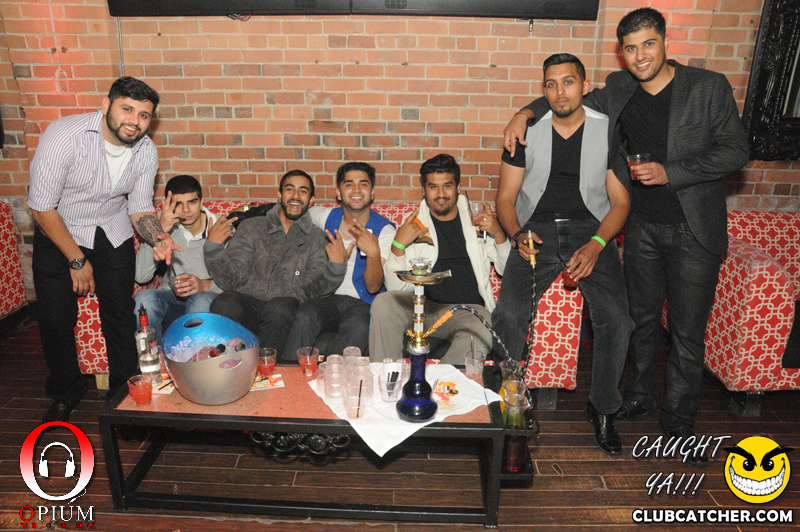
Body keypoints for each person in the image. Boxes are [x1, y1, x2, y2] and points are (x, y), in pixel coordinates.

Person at [504, 8, 749, 463]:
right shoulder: (620, 88)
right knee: (640, 321)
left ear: (665, 42)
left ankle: (678, 424)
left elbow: (737, 150)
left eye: (648, 44)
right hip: (640, 226)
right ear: (622, 53)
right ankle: (638, 396)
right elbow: (567, 95)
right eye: (631, 48)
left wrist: (671, 172)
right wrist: (523, 112)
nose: (640, 56)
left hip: (693, 226)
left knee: (686, 334)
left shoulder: (707, 86)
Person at [493, 53, 633, 456]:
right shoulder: (524, 132)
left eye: (569, 82)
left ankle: (603, 407)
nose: (560, 92)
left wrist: (597, 244)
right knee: (509, 315)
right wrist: (517, 234)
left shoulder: (606, 130)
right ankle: (508, 402)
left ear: (585, 87)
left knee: (616, 319)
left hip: (592, 230)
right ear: (543, 90)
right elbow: (505, 199)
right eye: (551, 84)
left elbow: (621, 203)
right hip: (534, 230)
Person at [29, 77, 181, 422]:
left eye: (144, 115)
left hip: (112, 233)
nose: (135, 121)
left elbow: (139, 207)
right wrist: (76, 259)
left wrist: (158, 238)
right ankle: (66, 390)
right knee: (55, 319)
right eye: (127, 109)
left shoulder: (146, 150)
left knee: (120, 315)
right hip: (59, 231)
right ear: (105, 105)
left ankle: (123, 395)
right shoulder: (63, 136)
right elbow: (41, 207)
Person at [369, 153, 511, 364]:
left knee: (483, 327)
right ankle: (386, 377)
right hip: (422, 307)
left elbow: (506, 269)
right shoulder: (414, 223)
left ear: (458, 187)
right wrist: (398, 245)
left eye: (447, 186)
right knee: (383, 302)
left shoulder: (476, 218)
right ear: (424, 190)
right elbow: (396, 288)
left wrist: (499, 233)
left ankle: (443, 382)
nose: (441, 194)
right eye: (433, 187)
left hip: (467, 310)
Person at [205, 170, 346, 361]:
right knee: (224, 301)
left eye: (303, 191)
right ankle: (226, 366)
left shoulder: (317, 238)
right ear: (279, 195)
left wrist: (336, 269)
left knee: (279, 307)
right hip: (248, 303)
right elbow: (231, 280)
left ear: (311, 201)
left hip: (285, 310)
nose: (295, 196)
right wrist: (214, 250)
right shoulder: (251, 227)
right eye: (290, 189)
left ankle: (264, 368)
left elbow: (313, 290)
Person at [284, 162, 395, 359]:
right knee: (305, 313)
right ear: (338, 193)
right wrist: (251, 212)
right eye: (349, 184)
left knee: (360, 325)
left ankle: (331, 373)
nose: (356, 190)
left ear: (372, 193)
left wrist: (373, 253)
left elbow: (373, 287)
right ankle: (290, 371)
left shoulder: (385, 230)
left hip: (362, 302)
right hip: (329, 298)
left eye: (363, 184)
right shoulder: (325, 216)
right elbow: (291, 211)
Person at [134, 175, 222, 341]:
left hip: (208, 300)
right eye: (178, 204)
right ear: (168, 205)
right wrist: (159, 231)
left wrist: (204, 284)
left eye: (192, 202)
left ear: (201, 202)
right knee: (144, 300)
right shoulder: (162, 224)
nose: (186, 210)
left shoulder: (219, 228)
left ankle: (193, 357)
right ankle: (153, 355)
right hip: (172, 299)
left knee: (200, 301)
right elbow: (141, 276)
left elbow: (239, 283)